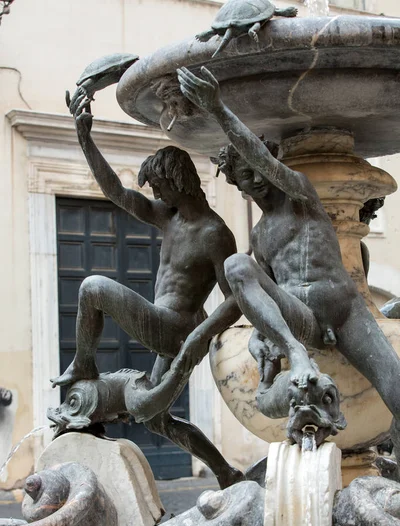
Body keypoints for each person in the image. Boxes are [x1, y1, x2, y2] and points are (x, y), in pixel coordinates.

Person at [177, 65, 400, 466]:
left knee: (396, 388)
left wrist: (218, 108)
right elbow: (253, 291)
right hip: (302, 321)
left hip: (345, 309)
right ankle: (297, 354)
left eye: (257, 169)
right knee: (237, 265)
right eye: (246, 177)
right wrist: (252, 334)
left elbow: (264, 161)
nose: (256, 179)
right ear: (240, 187)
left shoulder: (301, 195)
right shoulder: (261, 236)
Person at [51, 101, 243, 488]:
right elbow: (117, 193)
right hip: (163, 327)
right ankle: (226, 472)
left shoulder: (214, 233)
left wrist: (198, 338)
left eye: (157, 186)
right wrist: (85, 139)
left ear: (175, 182)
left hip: (178, 330)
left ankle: (83, 365)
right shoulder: (167, 217)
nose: (154, 193)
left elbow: (235, 298)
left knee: (93, 287)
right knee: (153, 418)